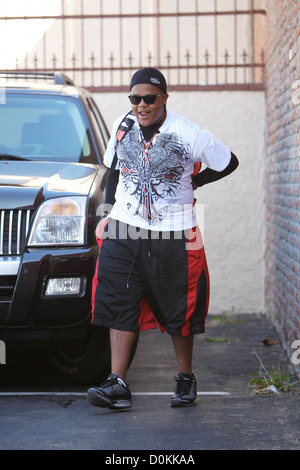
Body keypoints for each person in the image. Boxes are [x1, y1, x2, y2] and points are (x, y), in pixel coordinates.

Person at [87, 67, 238, 410]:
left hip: (174, 230)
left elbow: (229, 162)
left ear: (164, 99)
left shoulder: (187, 132)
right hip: (124, 227)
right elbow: (113, 169)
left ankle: (185, 377)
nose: (141, 105)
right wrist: (108, 212)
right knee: (118, 300)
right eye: (135, 99)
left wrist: (195, 183)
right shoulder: (123, 125)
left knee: (178, 307)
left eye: (149, 99)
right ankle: (117, 383)